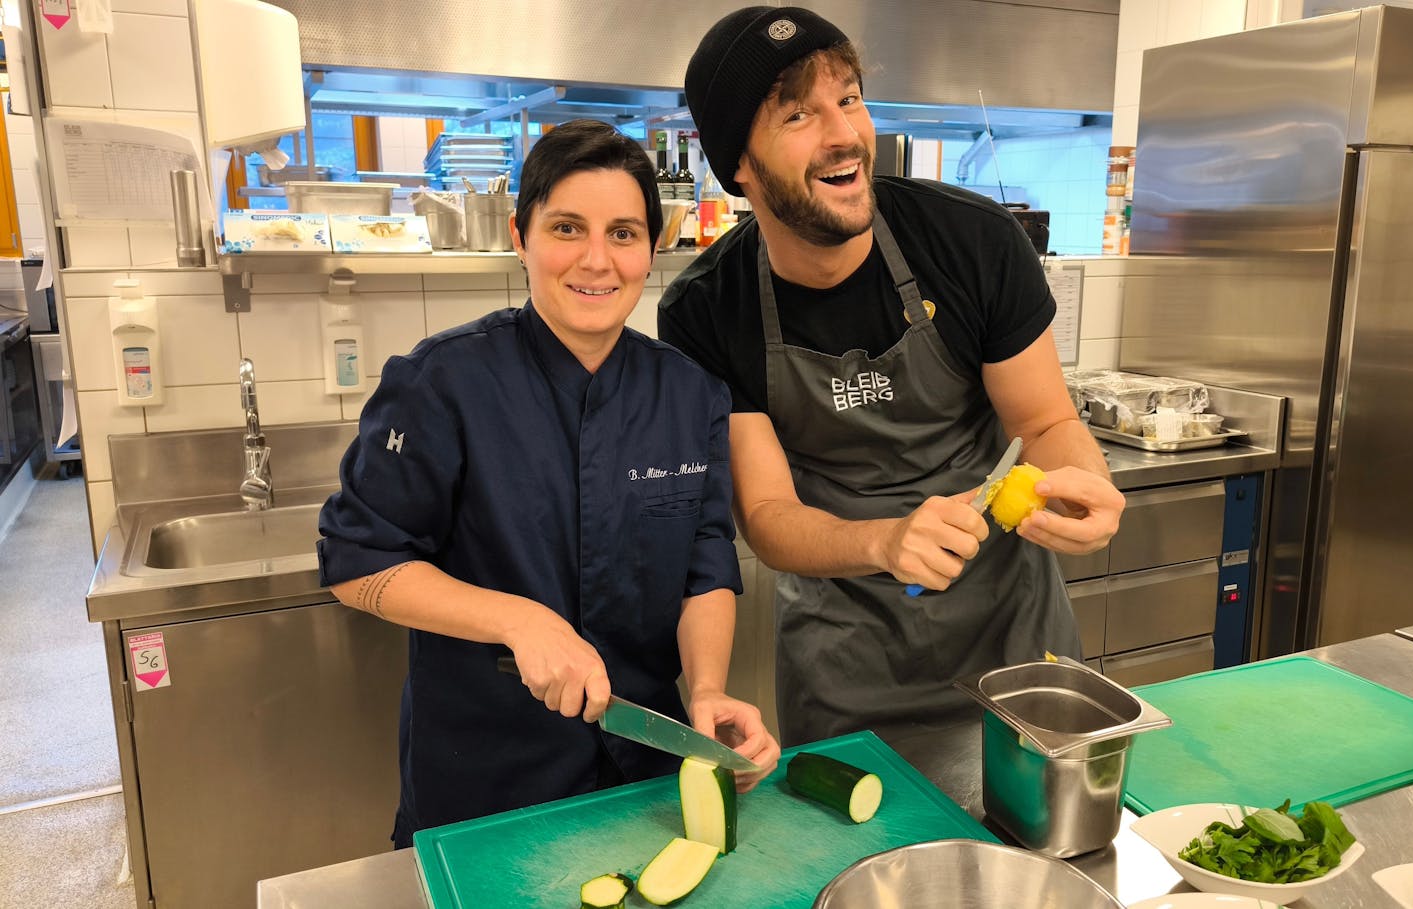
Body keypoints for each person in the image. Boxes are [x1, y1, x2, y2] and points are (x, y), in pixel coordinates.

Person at [660, 8, 1127, 746]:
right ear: (737, 164)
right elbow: (770, 515)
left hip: (1014, 644)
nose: (843, 133)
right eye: (798, 115)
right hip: (846, 666)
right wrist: (886, 542)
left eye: (848, 98)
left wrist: (1083, 485)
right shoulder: (708, 308)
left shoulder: (972, 241)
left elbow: (1043, 423)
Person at [317, 118, 779, 848]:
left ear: (651, 248)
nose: (597, 260)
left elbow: (705, 565)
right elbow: (356, 563)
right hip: (485, 787)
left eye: (624, 233)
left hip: (644, 780)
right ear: (519, 235)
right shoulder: (442, 382)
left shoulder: (690, 394)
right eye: (568, 227)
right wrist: (518, 619)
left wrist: (711, 688)